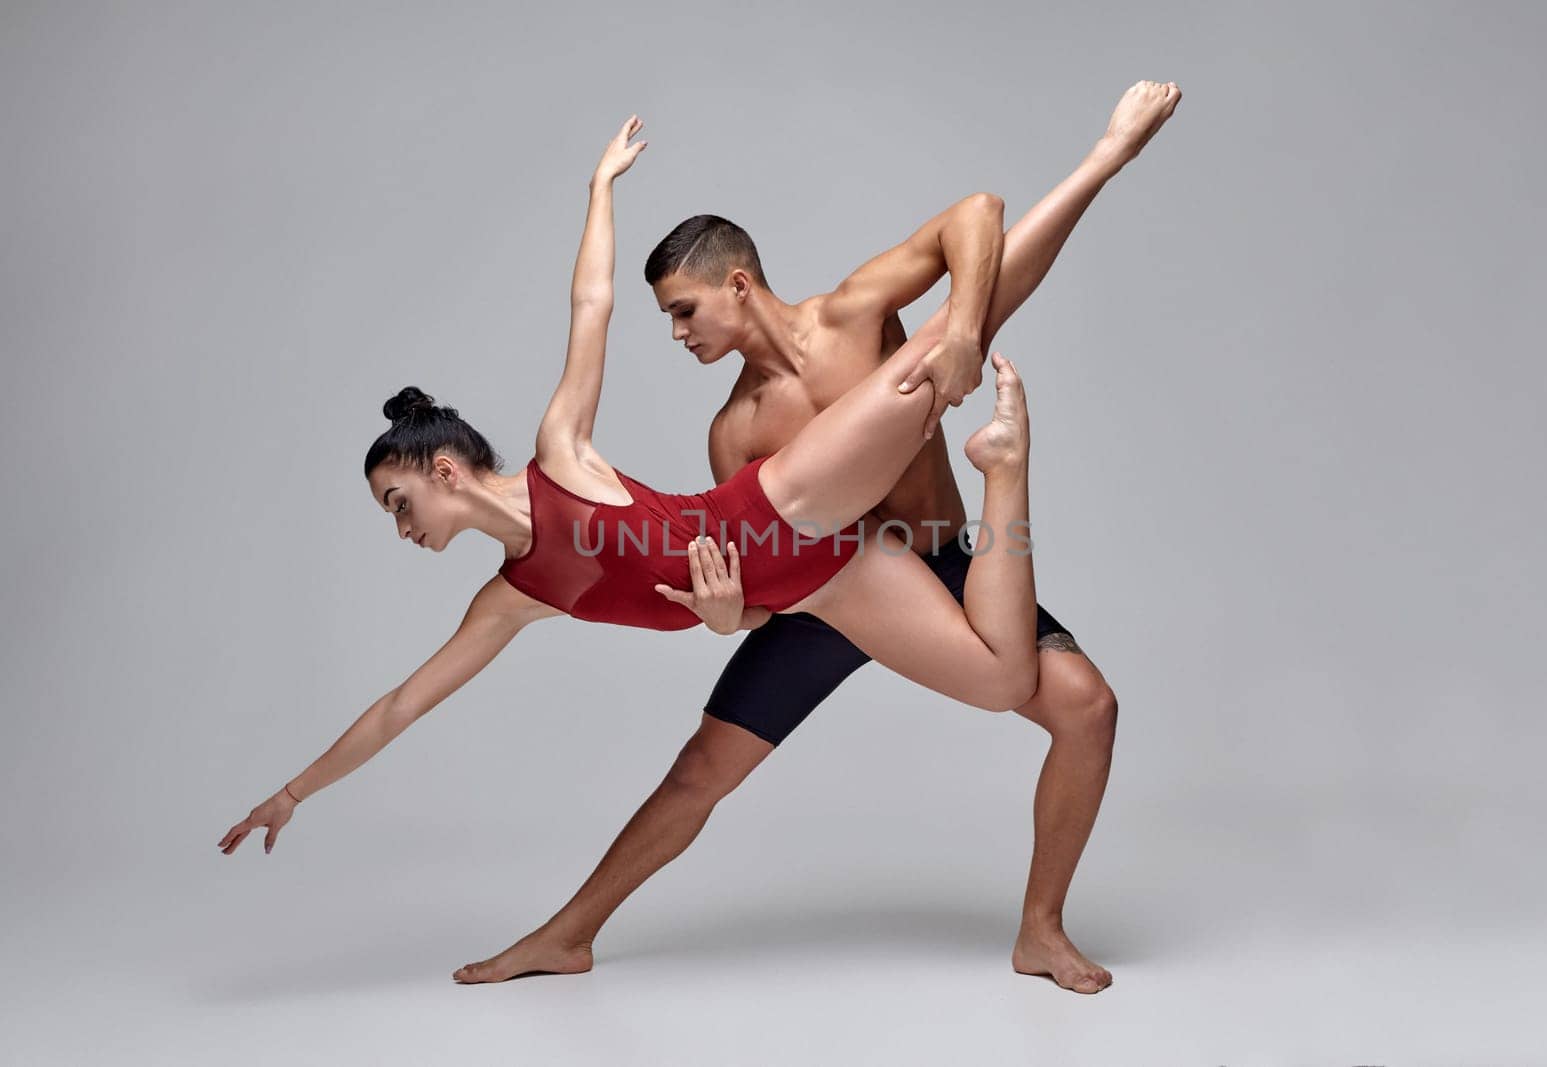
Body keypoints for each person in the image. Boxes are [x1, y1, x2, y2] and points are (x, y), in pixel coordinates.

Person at [218, 114, 1047, 947]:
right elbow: (401, 706)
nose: (401, 528)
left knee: (940, 343)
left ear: (444, 473)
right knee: (1001, 679)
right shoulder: (509, 598)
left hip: (774, 507)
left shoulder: (561, 456)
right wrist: (296, 790)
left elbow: (592, 302)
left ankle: (1099, 162)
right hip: (793, 581)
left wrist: (599, 190)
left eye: (399, 502)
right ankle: (1006, 459)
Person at [448, 81, 1181, 994]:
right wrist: (729, 615)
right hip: (827, 600)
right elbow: (751, 580)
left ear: (739, 285)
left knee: (1087, 709)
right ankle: (564, 933)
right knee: (698, 775)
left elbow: (982, 239)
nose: (676, 334)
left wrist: (970, 319)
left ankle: (1040, 929)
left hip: (942, 565)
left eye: (685, 310)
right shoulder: (736, 431)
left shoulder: (853, 317)